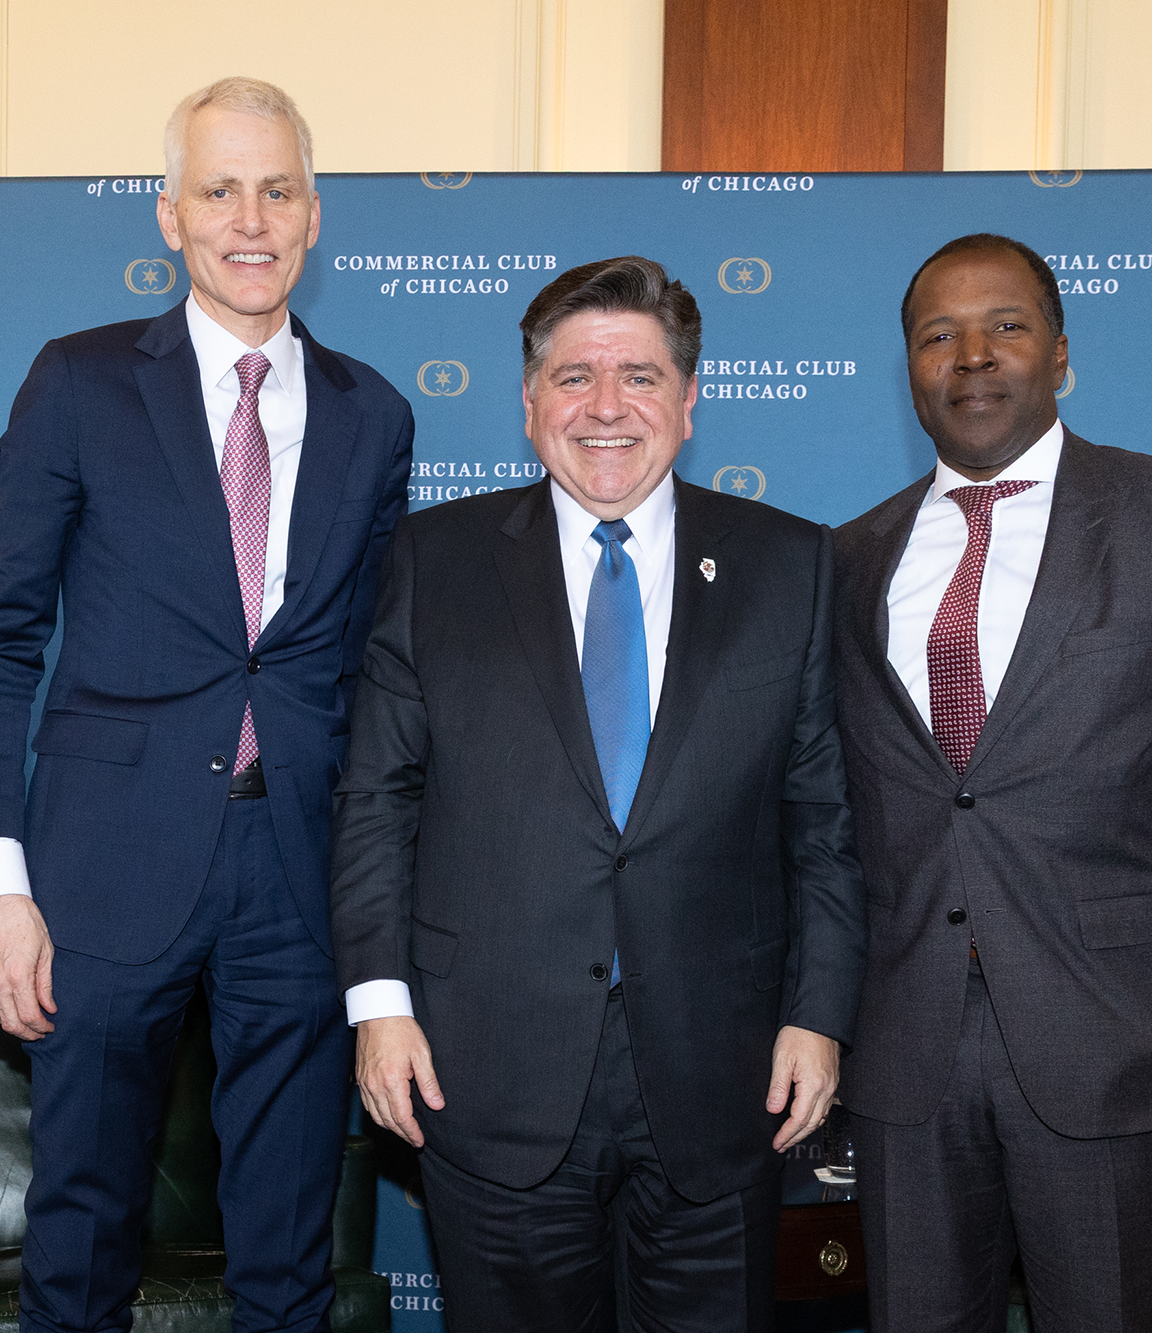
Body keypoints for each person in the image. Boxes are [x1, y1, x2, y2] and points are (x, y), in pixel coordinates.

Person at [0, 77, 413, 1333]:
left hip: (297, 870)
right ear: (170, 215)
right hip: (103, 865)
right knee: (81, 1232)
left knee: (288, 1249)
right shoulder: (79, 382)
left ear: (313, 215)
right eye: (219, 191)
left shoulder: (375, 414)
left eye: (276, 191)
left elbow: (373, 672)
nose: (249, 220)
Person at [329, 255, 867, 1332]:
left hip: (724, 1076)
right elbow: (377, 800)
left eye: (640, 376)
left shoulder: (791, 565)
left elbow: (823, 823)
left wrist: (819, 1015)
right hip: (486, 1068)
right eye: (574, 377)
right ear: (530, 404)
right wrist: (379, 1007)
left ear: (689, 400)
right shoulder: (433, 559)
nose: (607, 406)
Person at [831, 233, 1152, 1332]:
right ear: (908, 369)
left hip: (1112, 1039)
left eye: (1004, 326)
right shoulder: (847, 559)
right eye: (938, 335)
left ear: (1060, 352)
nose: (971, 355)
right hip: (900, 1051)